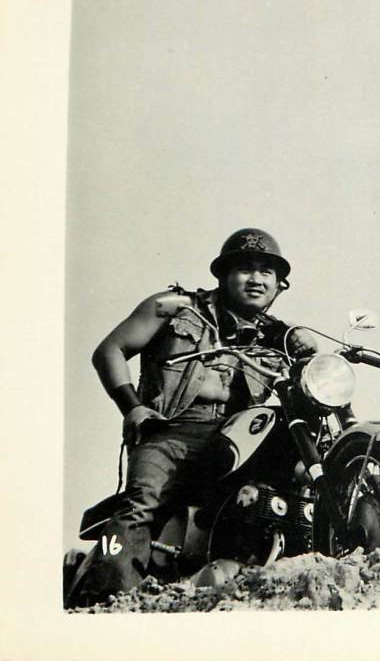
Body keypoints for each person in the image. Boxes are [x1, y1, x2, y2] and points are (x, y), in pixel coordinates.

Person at [66, 228, 316, 607]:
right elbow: (110, 349)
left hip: (239, 436)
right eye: (245, 269)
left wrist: (308, 351)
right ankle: (103, 599)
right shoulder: (175, 308)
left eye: (266, 271)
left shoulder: (278, 335)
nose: (256, 279)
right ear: (223, 275)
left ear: (279, 283)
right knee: (141, 503)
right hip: (172, 430)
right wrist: (132, 407)